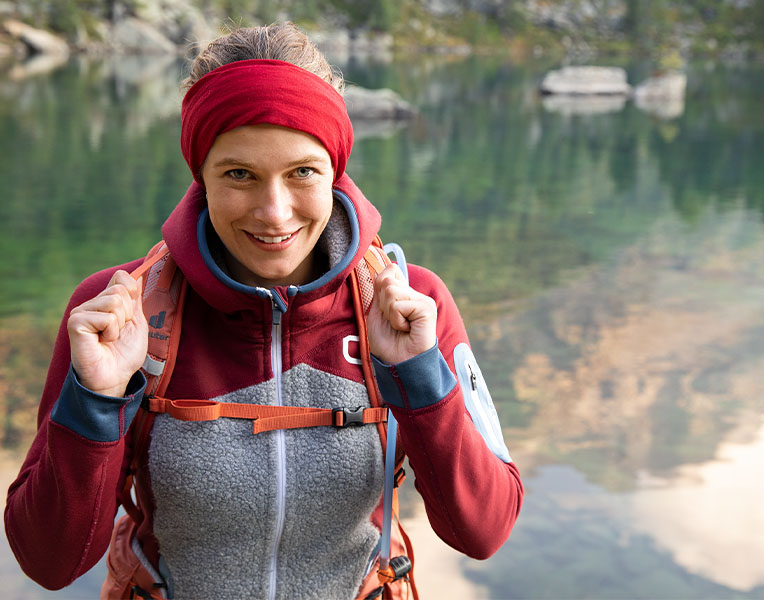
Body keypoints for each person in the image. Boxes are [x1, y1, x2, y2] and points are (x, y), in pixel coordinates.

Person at [3, 22, 523, 600]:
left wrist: (421, 378)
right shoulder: (121, 311)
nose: (274, 213)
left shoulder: (410, 305)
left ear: (335, 171)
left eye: (302, 171)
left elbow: (485, 530)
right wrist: (96, 399)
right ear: (200, 174)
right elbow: (50, 562)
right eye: (239, 175)